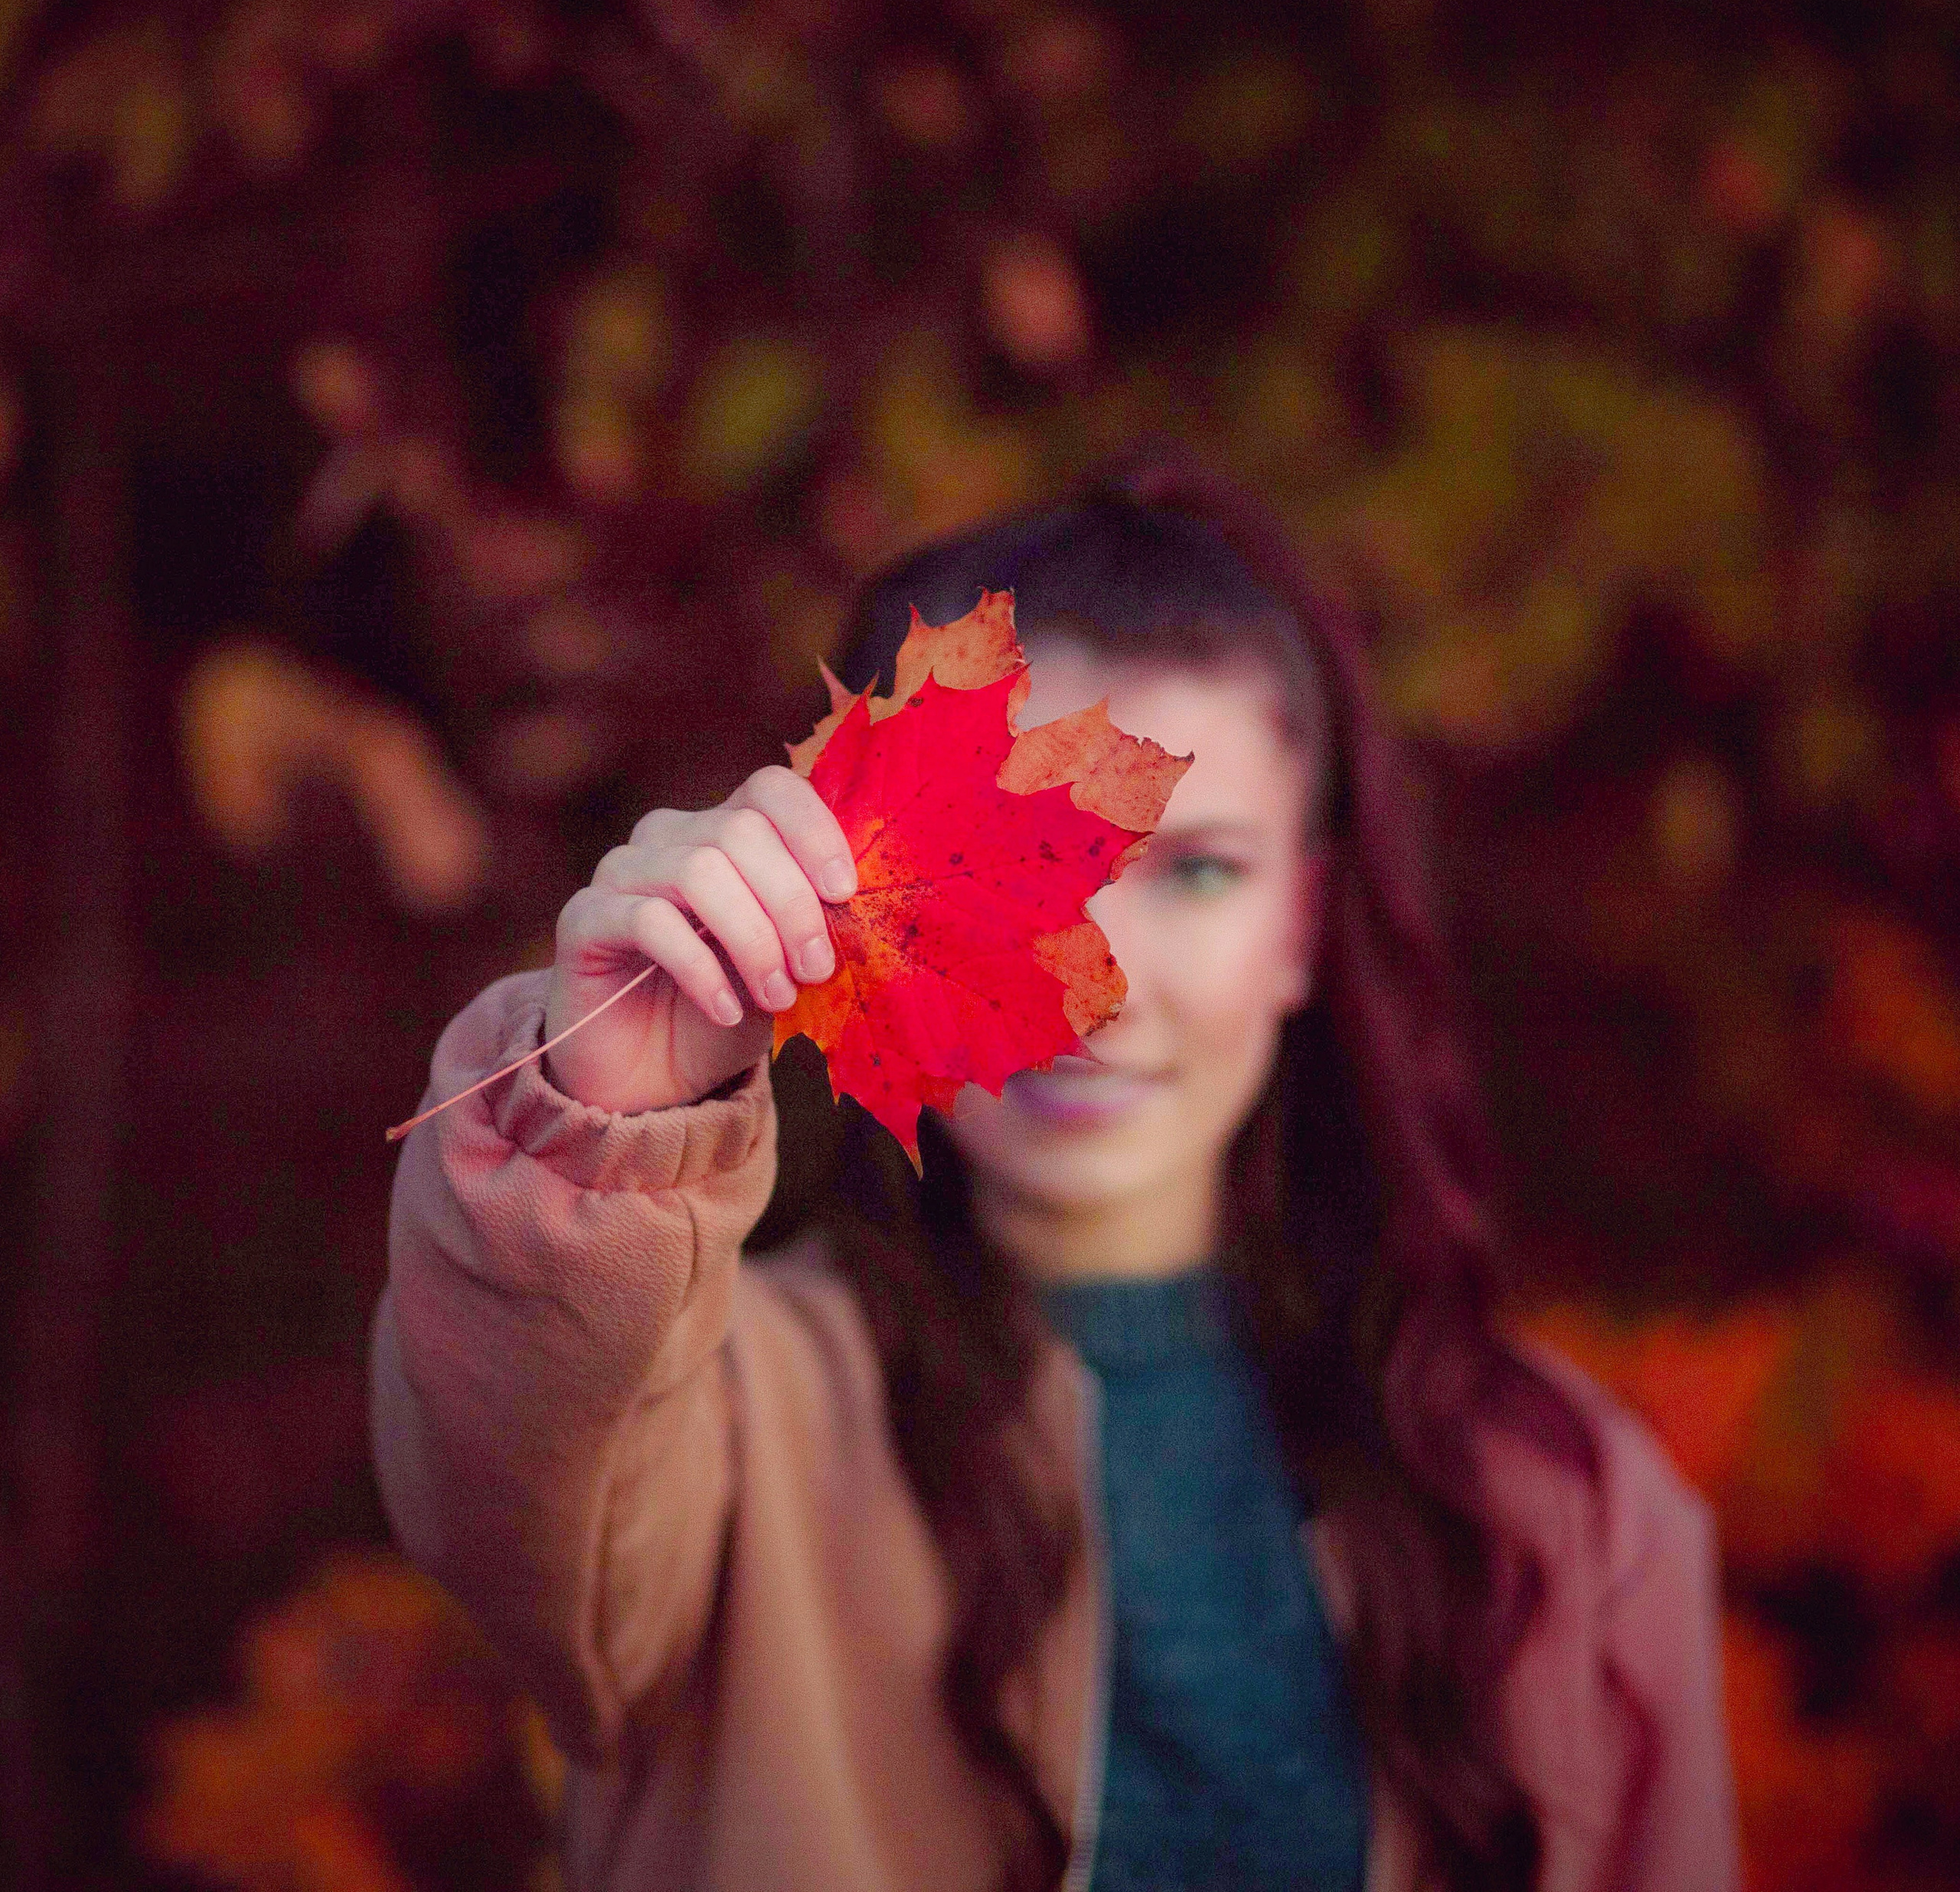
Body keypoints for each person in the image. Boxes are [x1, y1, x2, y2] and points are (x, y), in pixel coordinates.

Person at [371, 456, 1740, 1892]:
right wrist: (600, 1128)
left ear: (1304, 925)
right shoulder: (710, 1424)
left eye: (1197, 872)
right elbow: (511, 1473)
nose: (1095, 991)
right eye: (996, 875)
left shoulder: (1567, 1516)